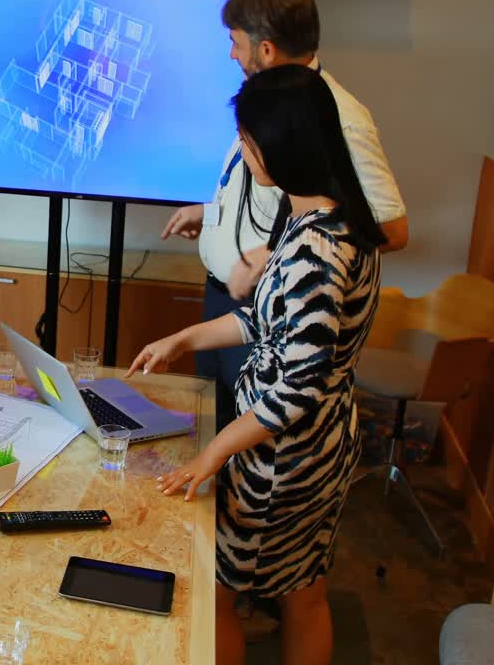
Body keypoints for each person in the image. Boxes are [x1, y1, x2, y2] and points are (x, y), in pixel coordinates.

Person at [130, 65, 385, 665]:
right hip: (317, 441)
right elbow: (270, 325)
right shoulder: (335, 220)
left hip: (284, 459)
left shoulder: (316, 253)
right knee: (303, 590)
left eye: (245, 140)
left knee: (219, 592)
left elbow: (292, 393)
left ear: (276, 148)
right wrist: (185, 338)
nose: (242, 152)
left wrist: (212, 454)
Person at [159, 0, 408, 432]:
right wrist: (211, 215)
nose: (232, 54)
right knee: (207, 433)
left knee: (244, 443)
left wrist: (280, 257)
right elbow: (268, 190)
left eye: (235, 43)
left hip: (272, 313)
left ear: (267, 49)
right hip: (226, 303)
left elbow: (390, 229)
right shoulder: (267, 101)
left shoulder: (340, 117)